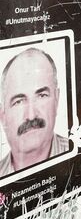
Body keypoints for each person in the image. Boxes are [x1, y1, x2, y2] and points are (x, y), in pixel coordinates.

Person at [0, 48, 69, 177]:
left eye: (42, 95)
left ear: (57, 99)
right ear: (2, 115)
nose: (31, 115)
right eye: (18, 102)